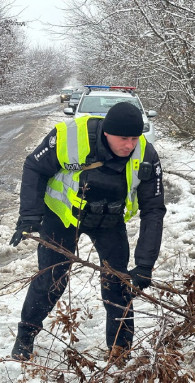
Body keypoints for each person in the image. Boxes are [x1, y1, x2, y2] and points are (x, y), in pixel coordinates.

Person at [9, 101, 166, 364]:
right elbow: (34, 167)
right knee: (51, 279)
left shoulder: (146, 155)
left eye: (134, 138)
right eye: (123, 138)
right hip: (62, 217)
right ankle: (25, 334)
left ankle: (120, 351)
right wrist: (29, 215)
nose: (129, 145)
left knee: (118, 283)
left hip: (110, 221)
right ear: (106, 132)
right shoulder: (69, 137)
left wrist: (145, 264)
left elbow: (154, 210)